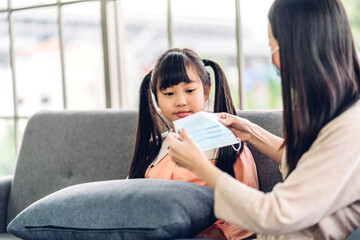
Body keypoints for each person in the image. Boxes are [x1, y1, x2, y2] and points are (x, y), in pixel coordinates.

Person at [167, 0, 360, 239]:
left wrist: (201, 167)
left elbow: (276, 213)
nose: (273, 59)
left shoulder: (351, 128)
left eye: (272, 46)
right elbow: (315, 165)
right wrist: (250, 132)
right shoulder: (340, 113)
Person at [128, 48, 259, 239]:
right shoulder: (152, 148)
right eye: (168, 93)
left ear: (206, 90)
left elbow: (249, 210)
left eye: (190, 90)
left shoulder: (229, 144)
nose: (180, 101)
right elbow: (127, 199)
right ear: (156, 99)